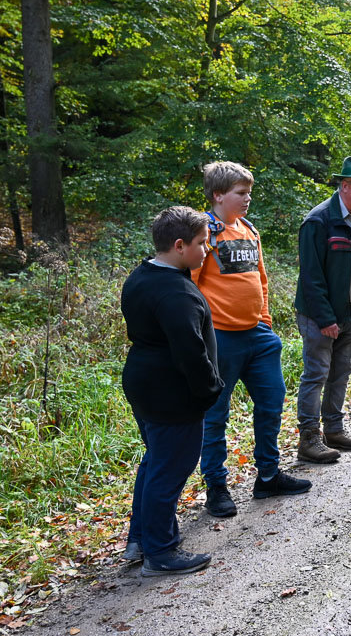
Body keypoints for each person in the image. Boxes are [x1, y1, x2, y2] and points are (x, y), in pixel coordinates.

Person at [192, 162, 311, 519]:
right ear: (218, 195)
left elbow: (260, 279)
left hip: (258, 336)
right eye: (240, 194)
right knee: (215, 414)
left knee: (272, 402)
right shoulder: (205, 233)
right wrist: (200, 335)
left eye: (248, 193)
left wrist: (265, 320)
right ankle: (216, 486)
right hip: (220, 338)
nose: (247, 199)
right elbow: (190, 286)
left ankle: (269, 475)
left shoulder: (248, 230)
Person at [121, 206, 224, 576]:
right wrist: (209, 390)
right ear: (179, 245)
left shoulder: (142, 275)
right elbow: (190, 352)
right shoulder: (176, 292)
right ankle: (160, 554)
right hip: (171, 392)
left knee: (155, 462)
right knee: (170, 469)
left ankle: (141, 539)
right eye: (201, 243)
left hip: (143, 383)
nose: (207, 249)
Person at [293, 153, 351, 463]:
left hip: (350, 313)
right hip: (320, 315)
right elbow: (311, 276)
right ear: (344, 185)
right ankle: (309, 438)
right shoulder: (319, 220)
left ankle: (334, 429)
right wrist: (325, 318)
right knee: (316, 373)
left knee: (341, 372)